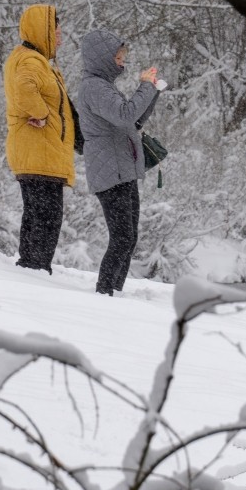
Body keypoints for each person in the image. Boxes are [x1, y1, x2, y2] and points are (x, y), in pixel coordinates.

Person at [75, 28, 165, 295]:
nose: (122, 61)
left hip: (121, 171)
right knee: (122, 238)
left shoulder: (103, 87)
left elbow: (132, 121)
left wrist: (153, 92)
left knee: (129, 238)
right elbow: (126, 115)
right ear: (102, 58)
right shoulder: (94, 88)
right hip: (110, 173)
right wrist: (145, 86)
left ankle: (114, 291)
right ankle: (105, 292)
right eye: (118, 57)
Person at [3, 4, 76, 272]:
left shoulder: (26, 58)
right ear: (43, 30)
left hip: (37, 153)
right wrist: (40, 113)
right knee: (47, 216)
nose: (60, 36)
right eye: (56, 30)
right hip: (40, 151)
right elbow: (24, 89)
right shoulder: (32, 61)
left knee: (36, 213)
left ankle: (31, 265)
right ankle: (36, 269)